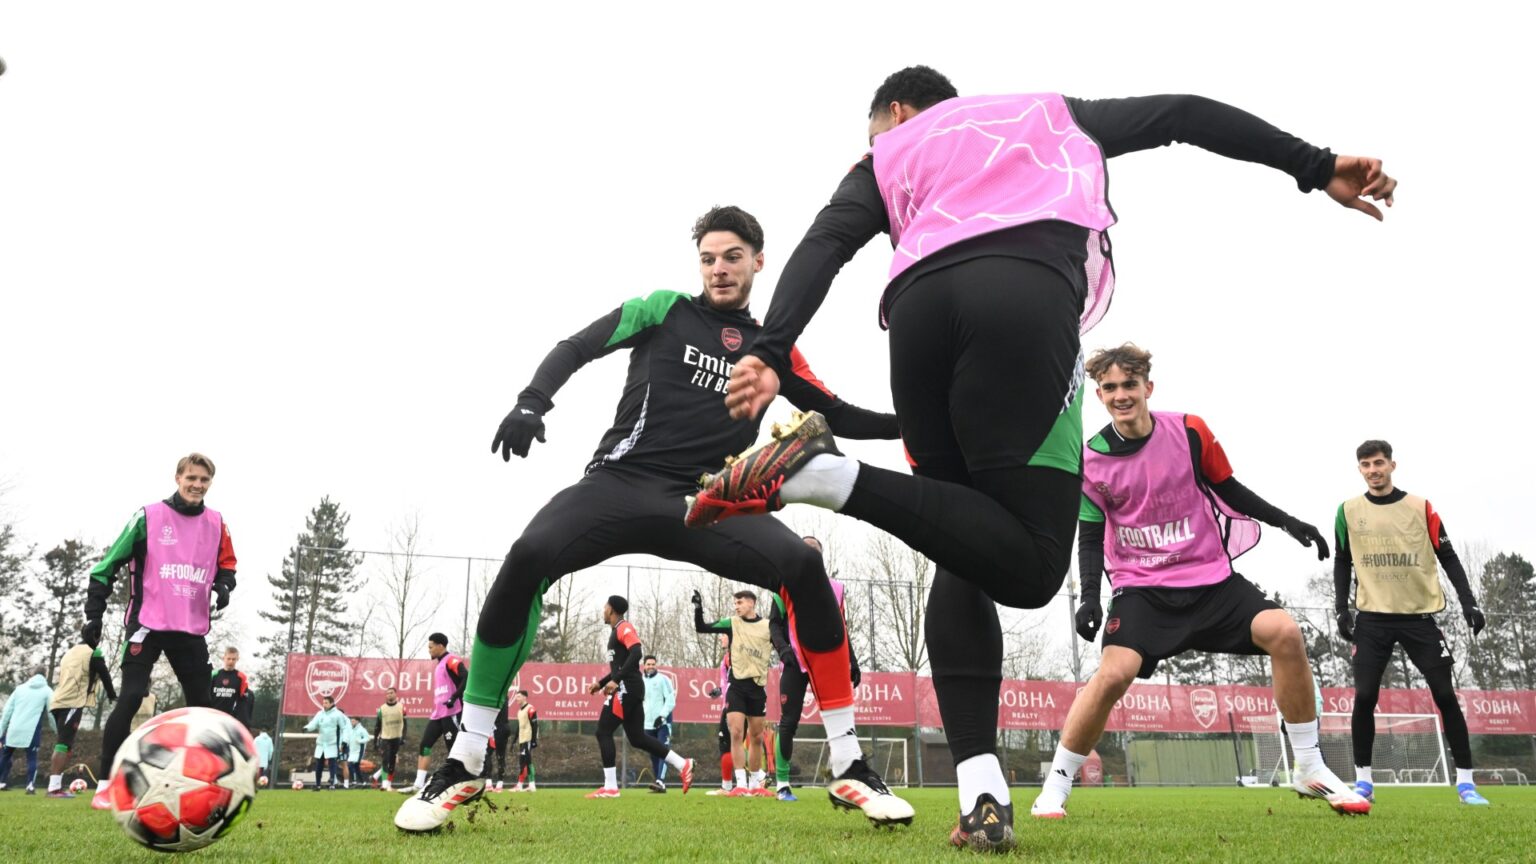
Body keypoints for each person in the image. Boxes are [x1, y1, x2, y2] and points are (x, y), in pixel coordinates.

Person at [689, 65, 1395, 844]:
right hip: (1021, 299)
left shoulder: (887, 156)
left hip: (916, 315)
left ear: (896, 112)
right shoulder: (1046, 112)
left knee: (956, 543)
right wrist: (1315, 164)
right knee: (1026, 568)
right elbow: (1182, 112)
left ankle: (980, 794)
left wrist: (770, 343)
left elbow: (827, 239)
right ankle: (825, 475)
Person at [394, 205, 913, 831]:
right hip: (620, 483)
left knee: (802, 564)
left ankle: (851, 764)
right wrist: (532, 401)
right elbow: (579, 344)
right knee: (528, 555)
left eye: (732, 257)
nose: (719, 269)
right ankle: (468, 756)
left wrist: (913, 424)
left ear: (758, 261)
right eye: (708, 258)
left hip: (708, 501)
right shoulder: (664, 309)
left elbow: (841, 414)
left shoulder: (771, 347)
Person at [1027, 344, 1367, 847]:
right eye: (1111, 388)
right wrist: (1090, 598)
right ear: (1099, 395)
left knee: (1285, 632)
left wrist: (1286, 522)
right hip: (1142, 589)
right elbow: (1091, 533)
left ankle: (1310, 767)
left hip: (1210, 580)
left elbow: (1230, 489)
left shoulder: (1189, 431)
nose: (1122, 395)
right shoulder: (1091, 458)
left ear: (1148, 387)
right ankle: (1055, 787)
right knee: (1113, 674)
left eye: (1129, 385)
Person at [1335, 440, 1489, 806]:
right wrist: (1341, 607)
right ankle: (1364, 783)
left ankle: (1466, 784)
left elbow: (1448, 556)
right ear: (1359, 469)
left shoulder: (1420, 507)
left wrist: (1469, 603)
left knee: (1445, 694)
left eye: (1378, 463)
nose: (1373, 470)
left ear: (1392, 465)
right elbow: (1343, 560)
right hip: (1372, 619)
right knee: (1365, 696)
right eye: (1365, 465)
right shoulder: (1347, 510)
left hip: (1420, 617)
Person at [83, 452, 236, 809]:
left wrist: (224, 586)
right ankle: (106, 784)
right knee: (132, 696)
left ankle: (206, 781)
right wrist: (95, 614)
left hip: (189, 627)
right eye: (191, 478)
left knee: (202, 706)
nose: (197, 485)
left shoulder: (217, 523)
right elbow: (106, 567)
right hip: (147, 625)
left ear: (210, 483)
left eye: (204, 480)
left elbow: (226, 565)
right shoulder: (148, 517)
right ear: (178, 478)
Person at [769, 534, 859, 801]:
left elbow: (842, 628)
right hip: (795, 662)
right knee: (788, 722)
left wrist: (851, 660)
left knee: (842, 725)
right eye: (804, 549)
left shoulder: (837, 589)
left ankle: (848, 780)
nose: (809, 555)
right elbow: (774, 624)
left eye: (814, 551)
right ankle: (782, 784)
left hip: (827, 663)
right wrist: (784, 649)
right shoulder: (783, 586)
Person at [583, 596, 693, 799]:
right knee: (637, 738)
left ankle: (610, 788)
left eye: (605, 606)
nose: (603, 609)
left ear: (612, 610)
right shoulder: (615, 632)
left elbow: (636, 653)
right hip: (630, 687)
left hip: (626, 689)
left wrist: (616, 681)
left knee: (603, 731)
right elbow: (625, 665)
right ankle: (682, 764)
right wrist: (601, 683)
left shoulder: (624, 627)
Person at [695, 589, 786, 796]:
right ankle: (741, 784)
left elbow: (782, 643)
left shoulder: (767, 626)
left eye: (740, 603)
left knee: (756, 737)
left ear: (752, 603)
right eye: (734, 603)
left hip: (757, 689)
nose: (736, 606)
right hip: (736, 687)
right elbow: (702, 627)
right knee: (736, 733)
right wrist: (698, 608)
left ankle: (755, 785)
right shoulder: (732, 623)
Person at [46, 634, 116, 797]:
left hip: (57, 701)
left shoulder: (69, 652)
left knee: (65, 745)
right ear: (96, 638)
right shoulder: (93, 652)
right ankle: (54, 789)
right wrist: (112, 694)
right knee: (64, 744)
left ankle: (56, 785)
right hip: (72, 702)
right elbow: (104, 672)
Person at [402, 633, 467, 794]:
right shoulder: (438, 665)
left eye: (431, 647)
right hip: (438, 714)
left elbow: (467, 678)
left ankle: (460, 783)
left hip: (453, 712)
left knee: (453, 750)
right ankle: (418, 784)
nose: (429, 650)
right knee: (425, 745)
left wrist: (454, 697)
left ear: (440, 646)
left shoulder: (451, 660)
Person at [0, 666, 54, 793]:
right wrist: (57, 729)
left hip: (13, 729)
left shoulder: (19, 689)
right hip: (32, 730)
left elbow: (7, 711)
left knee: (6, 756)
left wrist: (1, 732)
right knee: (32, 757)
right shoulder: (47, 690)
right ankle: (30, 785)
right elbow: (52, 712)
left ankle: (1, 783)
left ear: (32, 674)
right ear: (45, 675)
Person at [641, 655, 677, 793]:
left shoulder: (663, 680)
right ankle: (658, 783)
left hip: (662, 724)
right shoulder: (640, 681)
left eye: (653, 664)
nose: (650, 666)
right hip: (647, 725)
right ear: (644, 666)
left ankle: (660, 781)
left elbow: (671, 700)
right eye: (648, 664)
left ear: (656, 665)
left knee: (663, 751)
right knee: (653, 754)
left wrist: (662, 716)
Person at [305, 695, 349, 790]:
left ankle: (332, 784)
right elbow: (313, 724)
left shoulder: (338, 714)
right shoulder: (320, 713)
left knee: (332, 765)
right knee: (319, 764)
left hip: (332, 743)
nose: (324, 705)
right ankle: (318, 785)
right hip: (321, 743)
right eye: (323, 703)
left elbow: (344, 728)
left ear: (332, 703)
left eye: (326, 703)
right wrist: (306, 728)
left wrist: (344, 741)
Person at [210, 646, 253, 730]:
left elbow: (243, 701)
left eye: (233, 659)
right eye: (228, 658)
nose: (231, 661)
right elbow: (207, 695)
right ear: (224, 658)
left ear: (237, 659)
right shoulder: (214, 675)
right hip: (212, 716)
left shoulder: (241, 677)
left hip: (229, 719)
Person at [373, 687, 408, 791]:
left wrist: (403, 737)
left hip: (396, 738)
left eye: (391, 693)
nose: (389, 695)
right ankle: (384, 784)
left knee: (392, 761)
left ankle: (388, 784)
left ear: (396, 694)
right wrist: (375, 740)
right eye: (387, 693)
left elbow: (405, 724)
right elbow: (377, 726)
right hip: (385, 738)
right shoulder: (382, 709)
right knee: (385, 759)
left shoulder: (401, 707)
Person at [510, 690, 538, 793]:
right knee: (525, 761)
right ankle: (527, 785)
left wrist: (534, 740)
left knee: (526, 761)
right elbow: (519, 727)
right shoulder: (519, 711)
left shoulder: (530, 709)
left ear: (525, 697)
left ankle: (525, 785)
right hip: (522, 740)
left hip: (528, 739)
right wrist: (514, 740)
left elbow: (535, 725)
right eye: (516, 697)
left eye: (519, 697)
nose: (517, 699)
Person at [346, 717, 370, 789]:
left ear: (357, 721)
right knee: (356, 768)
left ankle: (355, 781)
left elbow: (367, 738)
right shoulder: (351, 730)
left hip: (359, 752)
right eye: (351, 721)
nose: (352, 722)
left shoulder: (362, 730)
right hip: (352, 751)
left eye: (353, 721)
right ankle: (363, 783)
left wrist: (360, 741)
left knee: (351, 766)